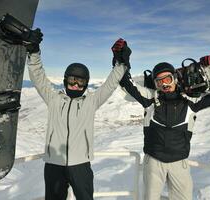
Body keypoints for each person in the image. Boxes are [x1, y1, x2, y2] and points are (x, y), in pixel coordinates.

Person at [25, 29, 131, 200]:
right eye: (72, 80)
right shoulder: (53, 99)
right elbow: (38, 76)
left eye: (80, 81)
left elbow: (110, 84)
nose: (75, 85)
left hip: (80, 164)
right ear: (65, 80)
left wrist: (121, 63)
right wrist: (33, 51)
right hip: (54, 164)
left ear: (86, 84)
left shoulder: (91, 102)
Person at [119, 56, 210, 200]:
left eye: (167, 79)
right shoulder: (150, 99)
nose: (164, 84)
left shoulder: (190, 102)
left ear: (175, 78)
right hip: (154, 162)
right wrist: (121, 58)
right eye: (159, 81)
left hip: (179, 163)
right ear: (155, 84)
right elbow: (127, 84)